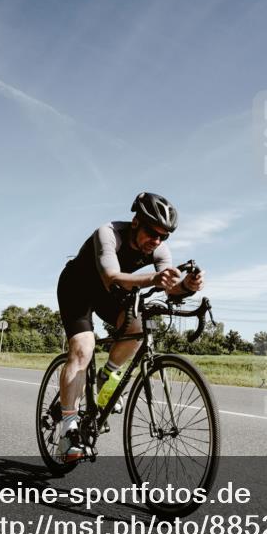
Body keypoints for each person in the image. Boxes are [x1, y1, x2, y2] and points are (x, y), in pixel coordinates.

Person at [55, 192, 204, 462]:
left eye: (164, 236)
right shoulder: (109, 233)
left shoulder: (159, 249)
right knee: (83, 349)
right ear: (136, 222)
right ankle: (69, 428)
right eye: (152, 232)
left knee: (138, 327)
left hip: (110, 294)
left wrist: (186, 287)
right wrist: (154, 278)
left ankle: (105, 378)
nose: (156, 241)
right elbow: (112, 276)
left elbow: (168, 288)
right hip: (78, 287)